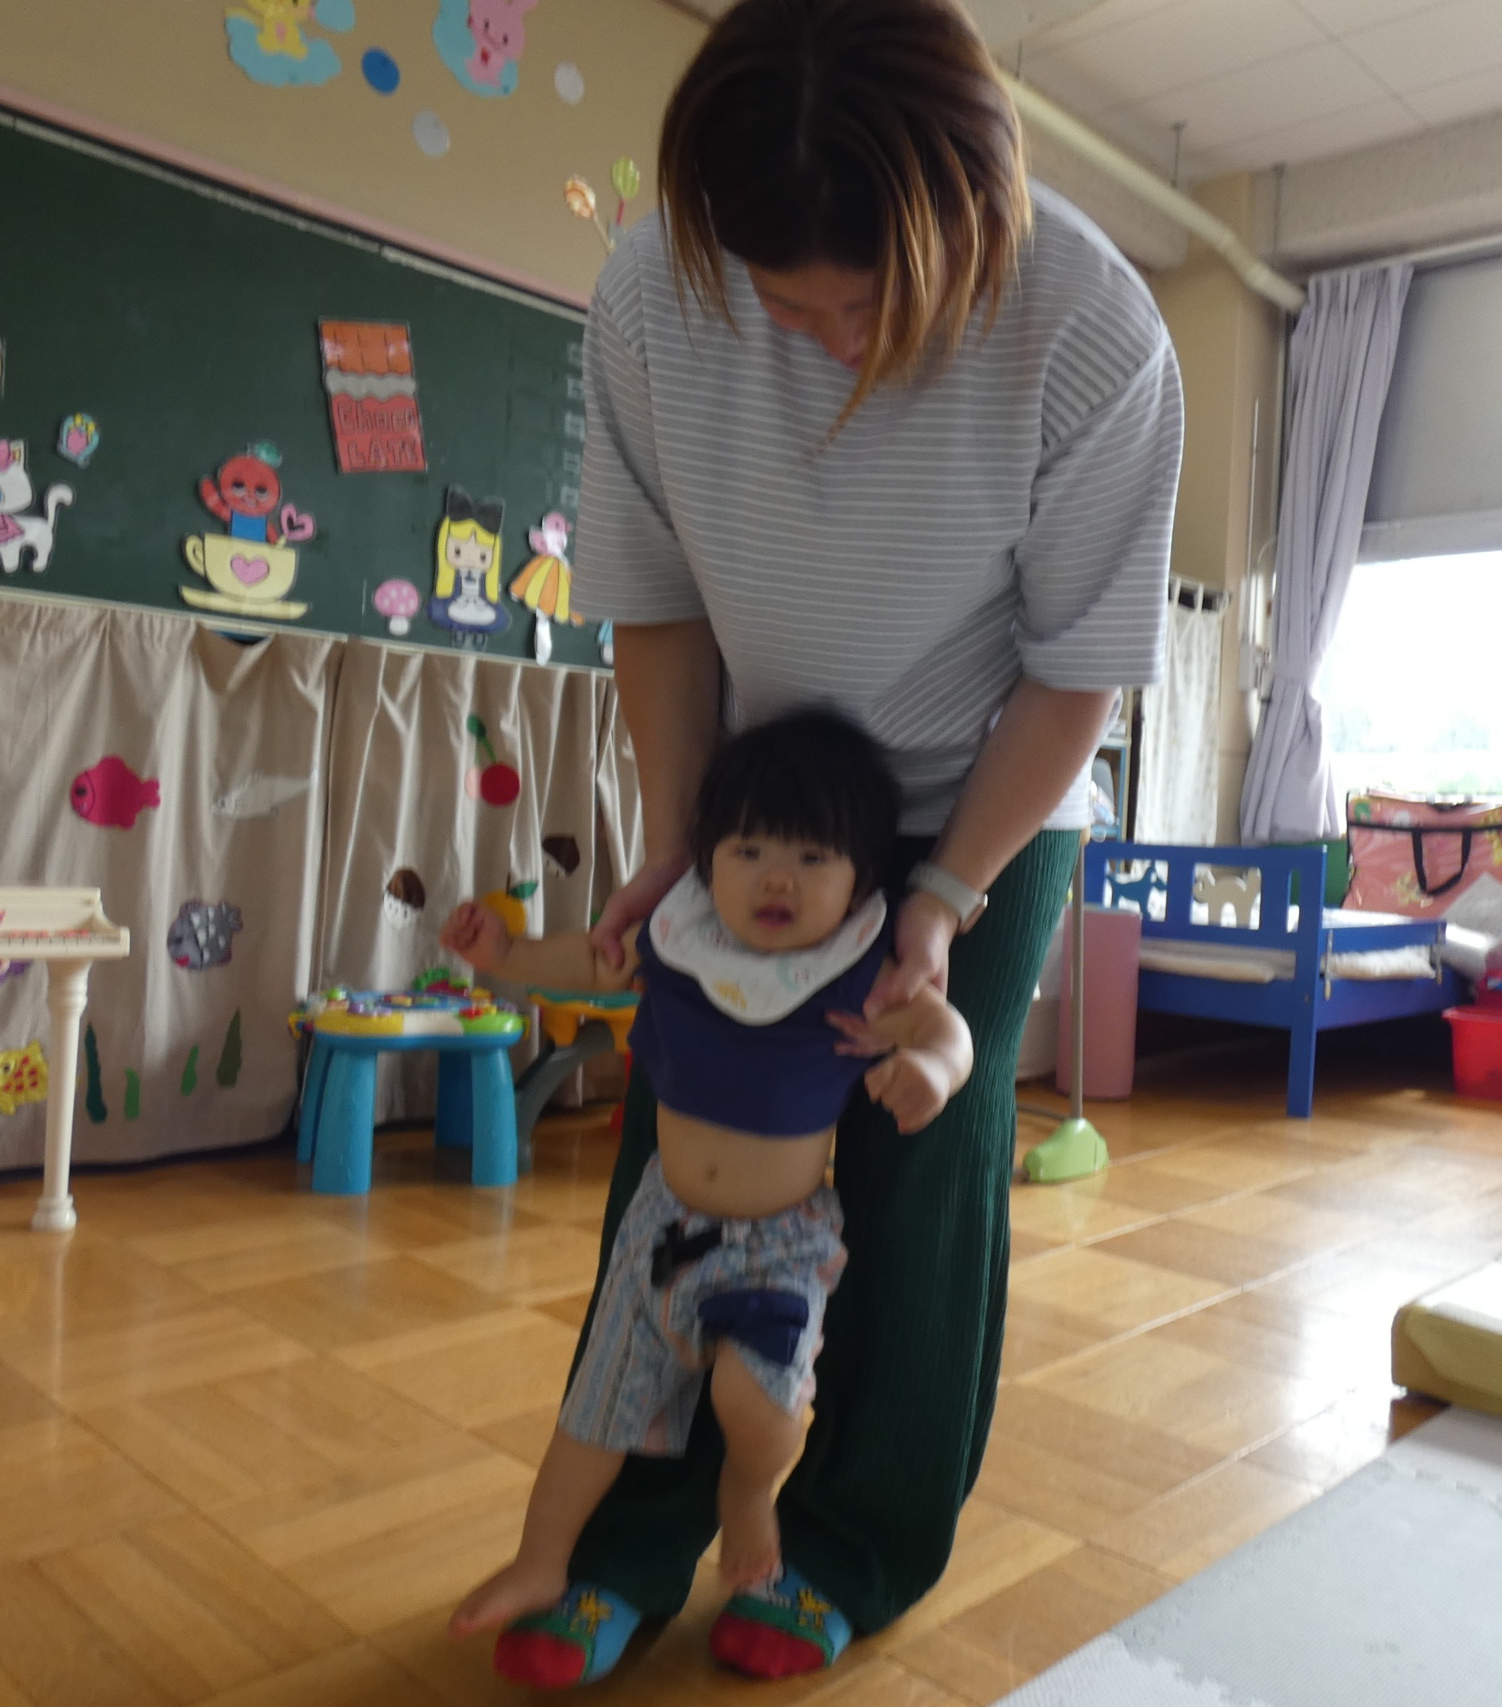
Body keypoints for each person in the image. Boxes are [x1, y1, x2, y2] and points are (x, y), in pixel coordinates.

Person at [522, 0, 1184, 1685]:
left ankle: (846, 1544)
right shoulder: (652, 297)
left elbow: (1075, 672)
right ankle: (620, 1540)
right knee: (690, 1131)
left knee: (917, 1150)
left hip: (984, 791)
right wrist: (678, 840)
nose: (828, 341)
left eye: (870, 301)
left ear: (973, 214)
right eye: (785, 299)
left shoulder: (1092, 327)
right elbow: (658, 607)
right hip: (764, 793)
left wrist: (943, 899)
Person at [444, 711, 973, 1686]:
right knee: (594, 1416)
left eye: (811, 857)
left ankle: (748, 1495)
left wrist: (933, 1071)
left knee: (753, 1403)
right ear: (705, 859)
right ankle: (540, 1559)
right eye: (749, 850)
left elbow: (945, 1028)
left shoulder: (856, 971)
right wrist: (506, 954)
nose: (777, 879)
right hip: (662, 1228)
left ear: (861, 878)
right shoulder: (680, 940)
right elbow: (587, 962)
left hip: (777, 1245)